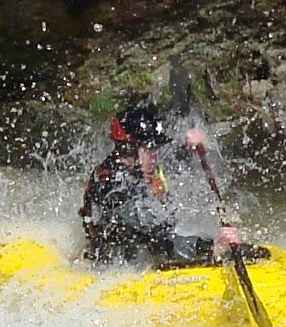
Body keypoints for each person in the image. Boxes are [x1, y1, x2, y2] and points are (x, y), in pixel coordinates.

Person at [79, 102, 253, 267]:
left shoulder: (137, 167)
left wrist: (186, 149)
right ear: (129, 149)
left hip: (143, 253)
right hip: (115, 267)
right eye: (150, 147)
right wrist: (210, 248)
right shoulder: (113, 191)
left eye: (157, 147)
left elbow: (171, 165)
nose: (156, 153)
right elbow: (158, 240)